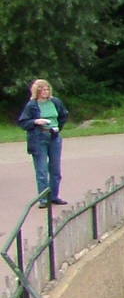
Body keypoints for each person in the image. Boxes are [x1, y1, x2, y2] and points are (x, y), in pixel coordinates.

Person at [17, 78, 68, 206]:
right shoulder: (32, 105)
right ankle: (43, 198)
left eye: (47, 89)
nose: (45, 92)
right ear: (37, 91)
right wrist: (36, 121)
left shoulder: (55, 102)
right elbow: (23, 122)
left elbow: (63, 115)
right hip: (39, 138)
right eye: (42, 89)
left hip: (54, 136)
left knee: (55, 169)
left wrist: (58, 127)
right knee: (42, 170)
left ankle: (54, 196)